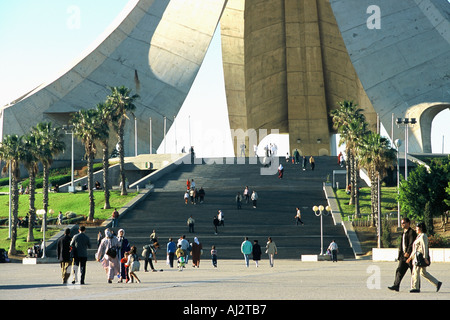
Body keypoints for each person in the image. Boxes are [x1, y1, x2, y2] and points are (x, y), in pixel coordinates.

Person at [406, 222, 442, 293]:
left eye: (417, 227)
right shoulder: (419, 236)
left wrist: (425, 258)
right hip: (417, 256)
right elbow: (415, 248)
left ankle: (415, 287)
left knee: (415, 272)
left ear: (421, 228)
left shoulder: (423, 236)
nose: (416, 229)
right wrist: (410, 257)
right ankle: (437, 283)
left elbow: (424, 247)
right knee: (423, 272)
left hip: (420, 257)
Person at [388, 218, 417, 292]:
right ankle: (396, 285)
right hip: (403, 256)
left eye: (403, 223)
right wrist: (400, 255)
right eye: (401, 223)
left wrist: (408, 252)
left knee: (413, 272)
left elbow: (411, 244)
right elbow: (402, 245)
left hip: (410, 256)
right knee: (399, 270)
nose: (402, 224)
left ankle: (416, 287)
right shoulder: (403, 233)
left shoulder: (411, 232)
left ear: (408, 223)